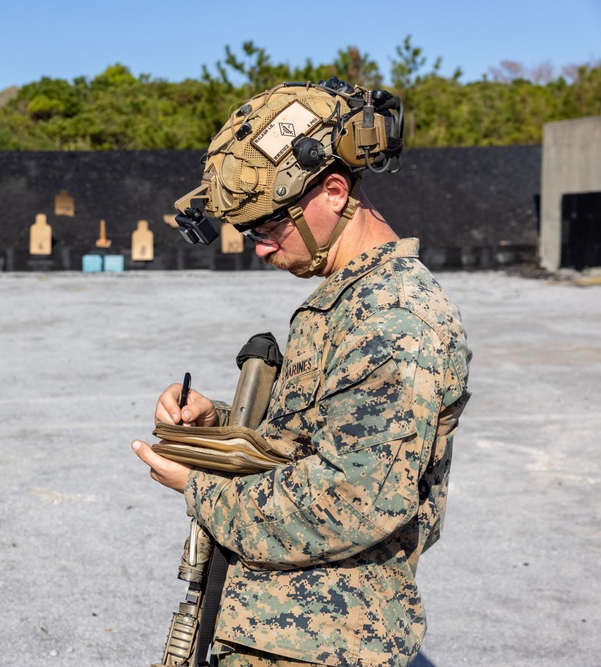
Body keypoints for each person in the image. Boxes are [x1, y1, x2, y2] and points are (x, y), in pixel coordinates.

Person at [132, 79, 472, 667]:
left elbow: (354, 499)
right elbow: (315, 439)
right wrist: (218, 425)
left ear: (334, 191)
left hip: (324, 644)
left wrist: (200, 488)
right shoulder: (351, 299)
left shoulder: (394, 319)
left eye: (268, 226)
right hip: (286, 629)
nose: (260, 248)